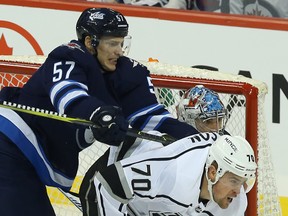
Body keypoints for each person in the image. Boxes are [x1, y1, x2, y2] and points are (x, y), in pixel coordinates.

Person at [0, 7, 197, 216]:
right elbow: (69, 96)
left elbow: (152, 119)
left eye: (122, 43)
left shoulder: (128, 74)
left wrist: (202, 139)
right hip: (10, 143)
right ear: (89, 42)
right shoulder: (68, 55)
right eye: (112, 43)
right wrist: (99, 114)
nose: (119, 51)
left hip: (32, 157)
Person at [79, 84, 229, 215]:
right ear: (188, 119)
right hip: (104, 188)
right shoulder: (158, 146)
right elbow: (110, 183)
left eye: (220, 120)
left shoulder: (215, 152)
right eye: (209, 121)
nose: (216, 129)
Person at [93, 133, 257, 215]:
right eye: (234, 181)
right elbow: (108, 184)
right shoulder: (176, 174)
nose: (237, 191)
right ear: (213, 173)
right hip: (114, 169)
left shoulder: (236, 204)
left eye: (242, 182)